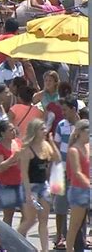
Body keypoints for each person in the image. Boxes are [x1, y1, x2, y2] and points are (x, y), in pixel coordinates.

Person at [17, 119, 61, 252]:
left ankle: (44, 249)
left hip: (43, 186)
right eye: (42, 129)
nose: (45, 131)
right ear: (34, 131)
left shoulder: (46, 145)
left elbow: (57, 159)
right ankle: (12, 242)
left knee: (44, 219)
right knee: (30, 219)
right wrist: (28, 193)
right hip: (31, 186)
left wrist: (52, 143)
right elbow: (24, 173)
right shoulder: (27, 149)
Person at [53, 95, 81, 249]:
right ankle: (59, 236)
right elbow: (56, 147)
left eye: (65, 110)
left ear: (73, 109)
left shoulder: (84, 127)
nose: (62, 112)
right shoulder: (60, 125)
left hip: (78, 173)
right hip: (62, 171)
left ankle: (79, 237)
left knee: (80, 207)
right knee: (60, 206)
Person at [0, 121, 23, 225]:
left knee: (27, 213)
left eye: (14, 129)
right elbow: (0, 167)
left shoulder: (18, 142)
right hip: (6, 185)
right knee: (9, 215)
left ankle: (22, 236)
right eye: (10, 130)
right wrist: (12, 158)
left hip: (20, 183)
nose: (14, 132)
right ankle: (7, 239)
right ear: (2, 134)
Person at [65, 119, 89, 252]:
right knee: (75, 225)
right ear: (80, 132)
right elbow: (77, 172)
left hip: (86, 188)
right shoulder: (74, 150)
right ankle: (69, 249)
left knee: (80, 224)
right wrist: (88, 185)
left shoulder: (87, 147)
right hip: (79, 190)